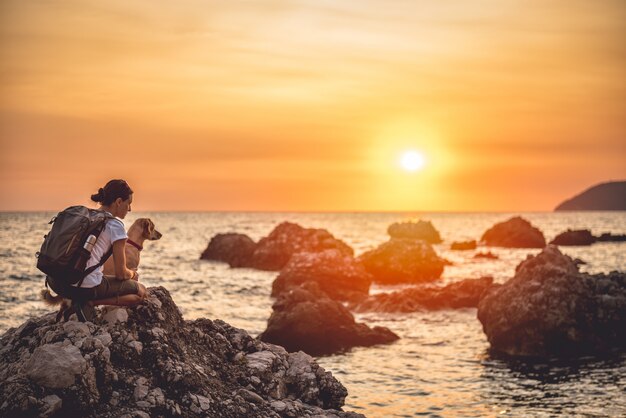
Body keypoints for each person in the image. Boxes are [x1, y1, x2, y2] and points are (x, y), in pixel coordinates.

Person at [66, 179, 147, 321]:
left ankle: (82, 301)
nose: (130, 209)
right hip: (84, 286)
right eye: (129, 203)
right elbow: (121, 274)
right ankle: (90, 303)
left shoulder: (86, 215)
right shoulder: (115, 226)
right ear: (119, 201)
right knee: (141, 292)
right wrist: (133, 273)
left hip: (61, 282)